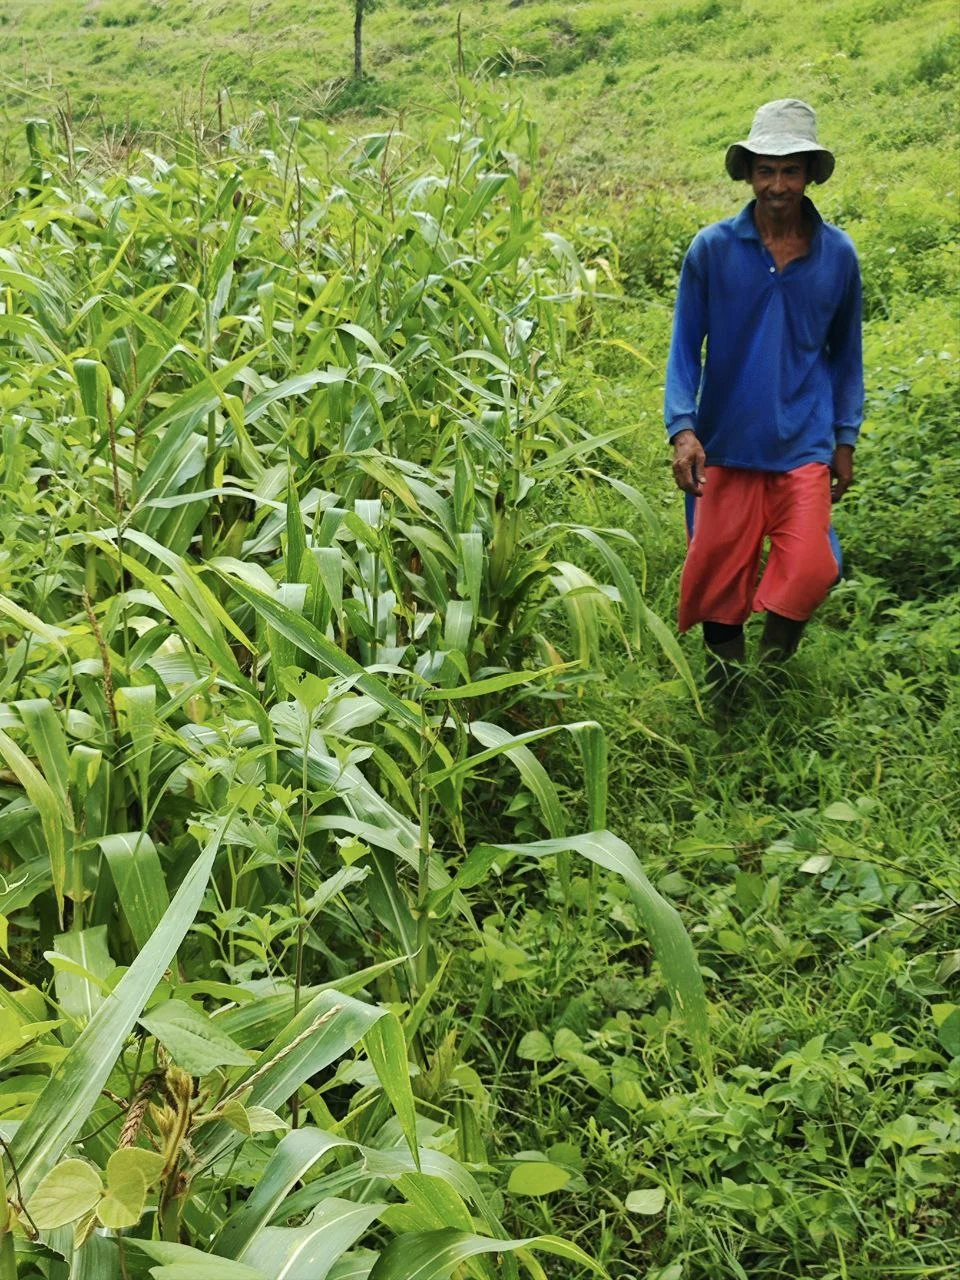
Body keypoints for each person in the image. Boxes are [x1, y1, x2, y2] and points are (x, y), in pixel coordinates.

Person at [664, 99, 864, 687]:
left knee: (811, 569)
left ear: (808, 175)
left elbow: (846, 356)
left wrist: (844, 438)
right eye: (766, 170)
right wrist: (683, 428)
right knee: (718, 578)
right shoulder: (712, 250)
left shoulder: (838, 257)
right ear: (749, 174)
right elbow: (683, 349)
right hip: (724, 446)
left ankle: (770, 677)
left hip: (802, 443)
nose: (777, 185)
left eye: (791, 170)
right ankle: (728, 693)